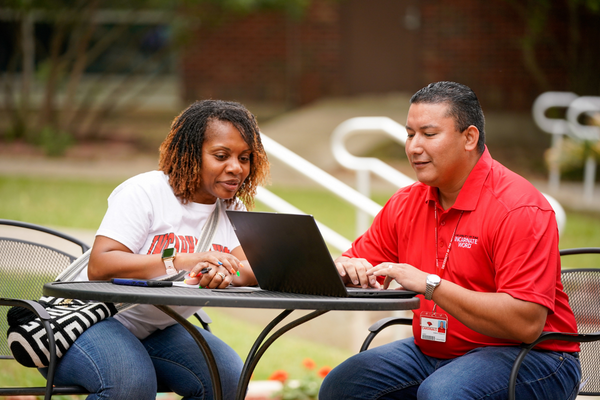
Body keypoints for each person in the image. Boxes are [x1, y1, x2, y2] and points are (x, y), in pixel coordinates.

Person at [319, 81, 581, 400]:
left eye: (428, 135)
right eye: (409, 134)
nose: (414, 147)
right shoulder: (406, 203)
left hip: (534, 355)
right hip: (436, 352)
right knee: (343, 386)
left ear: (469, 138)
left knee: (444, 393)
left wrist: (430, 285)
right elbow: (349, 263)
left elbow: (525, 323)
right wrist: (348, 267)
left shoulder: (518, 207)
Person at [42, 99, 270, 399]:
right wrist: (180, 261)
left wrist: (224, 273)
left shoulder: (233, 209)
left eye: (244, 158)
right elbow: (101, 264)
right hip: (89, 322)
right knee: (130, 382)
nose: (235, 168)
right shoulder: (146, 192)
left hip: (157, 329)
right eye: (221, 155)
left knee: (226, 380)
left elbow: (250, 268)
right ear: (191, 153)